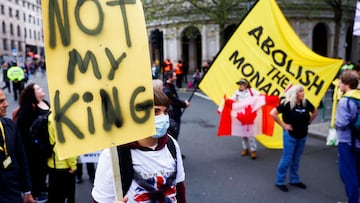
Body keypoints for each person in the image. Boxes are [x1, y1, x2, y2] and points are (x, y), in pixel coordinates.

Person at [92, 88, 186, 203]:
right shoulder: (114, 154)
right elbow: (99, 200)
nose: (163, 117)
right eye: (156, 112)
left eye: (165, 112)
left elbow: (180, 188)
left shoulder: (171, 144)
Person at [270, 84, 318, 192]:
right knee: (286, 159)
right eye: (300, 91)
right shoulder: (287, 104)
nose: (303, 93)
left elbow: (315, 111)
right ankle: (280, 181)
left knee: (296, 159)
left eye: (303, 91)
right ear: (295, 93)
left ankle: (294, 180)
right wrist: (284, 125)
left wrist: (309, 121)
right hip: (290, 136)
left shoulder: (305, 103)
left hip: (302, 135)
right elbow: (273, 113)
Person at [16, 83, 50, 202]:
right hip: (34, 149)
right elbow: (23, 131)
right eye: (38, 88)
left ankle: (42, 187)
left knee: (44, 169)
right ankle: (36, 193)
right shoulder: (28, 108)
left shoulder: (45, 103)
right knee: (36, 171)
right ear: (32, 93)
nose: (41, 89)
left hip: (46, 146)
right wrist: (36, 145)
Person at [0, 89, 35, 203]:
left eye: (5, 100)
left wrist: (27, 191)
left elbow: (21, 158)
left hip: (13, 193)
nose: (6, 104)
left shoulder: (10, 125)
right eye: (1, 101)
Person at [334, 70, 360, 203]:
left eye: (341, 81)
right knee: (357, 173)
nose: (339, 84)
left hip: (347, 142)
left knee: (348, 175)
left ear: (347, 84)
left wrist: (335, 124)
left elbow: (341, 123)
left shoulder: (345, 101)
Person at [47, 112, 77, 203]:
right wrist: (73, 165)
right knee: (68, 196)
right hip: (64, 165)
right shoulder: (63, 117)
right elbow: (66, 144)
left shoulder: (51, 115)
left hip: (52, 162)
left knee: (54, 195)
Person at [231, 78, 260, 159]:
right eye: (239, 84)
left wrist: (254, 106)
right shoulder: (236, 93)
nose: (240, 85)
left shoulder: (251, 91)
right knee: (243, 133)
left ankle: (253, 150)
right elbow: (231, 100)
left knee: (250, 134)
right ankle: (245, 149)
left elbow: (260, 97)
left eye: (242, 84)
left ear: (246, 85)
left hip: (250, 115)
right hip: (241, 115)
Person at [163, 71, 190, 140]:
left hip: (175, 114)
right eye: (174, 76)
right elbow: (174, 100)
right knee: (173, 135)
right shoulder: (167, 88)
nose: (176, 77)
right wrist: (184, 104)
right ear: (169, 77)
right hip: (173, 115)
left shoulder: (170, 86)